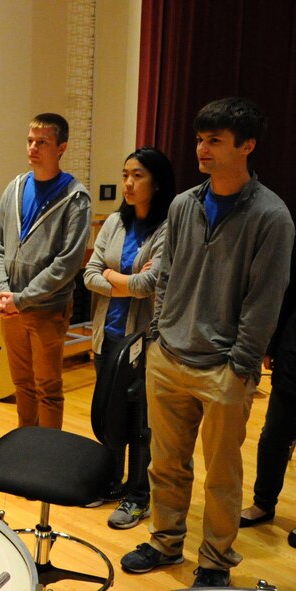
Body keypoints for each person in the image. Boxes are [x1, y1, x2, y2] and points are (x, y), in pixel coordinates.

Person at [120, 97, 294, 588]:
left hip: (224, 369)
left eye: (215, 140)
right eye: (200, 139)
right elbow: (166, 274)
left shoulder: (271, 216)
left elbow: (265, 300)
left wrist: (240, 365)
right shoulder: (182, 205)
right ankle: (164, 542)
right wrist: (157, 335)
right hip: (169, 355)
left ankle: (216, 562)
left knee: (222, 477)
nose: (202, 149)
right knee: (166, 463)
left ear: (247, 146)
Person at [84, 147, 175, 529]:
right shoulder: (114, 223)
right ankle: (112, 483)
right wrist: (126, 282)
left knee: (141, 423)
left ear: (156, 182)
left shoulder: (168, 226)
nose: (128, 183)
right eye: (125, 175)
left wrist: (114, 278)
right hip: (108, 336)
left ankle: (139, 496)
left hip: (144, 343)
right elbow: (89, 274)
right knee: (111, 417)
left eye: (137, 175)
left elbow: (149, 284)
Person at [0, 113, 92, 429]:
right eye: (30, 141)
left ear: (61, 147)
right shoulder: (16, 187)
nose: (33, 148)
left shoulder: (76, 197)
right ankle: (25, 449)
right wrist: (6, 291)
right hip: (12, 307)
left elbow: (68, 263)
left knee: (48, 388)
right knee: (21, 385)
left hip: (47, 308)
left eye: (42, 142)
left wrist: (22, 298)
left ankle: (48, 459)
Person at [239, 247, 296, 548]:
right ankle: (263, 503)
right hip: (293, 353)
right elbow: (288, 294)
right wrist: (271, 346)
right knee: (274, 435)